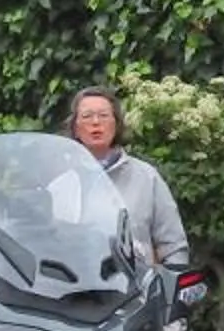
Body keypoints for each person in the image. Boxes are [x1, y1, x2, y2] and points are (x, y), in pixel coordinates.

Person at [61, 84, 189, 268]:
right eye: (87, 116)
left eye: (104, 115)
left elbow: (174, 247)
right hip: (77, 282)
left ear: (116, 123)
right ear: (75, 127)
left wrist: (170, 280)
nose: (96, 122)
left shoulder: (146, 177)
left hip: (135, 283)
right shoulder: (62, 181)